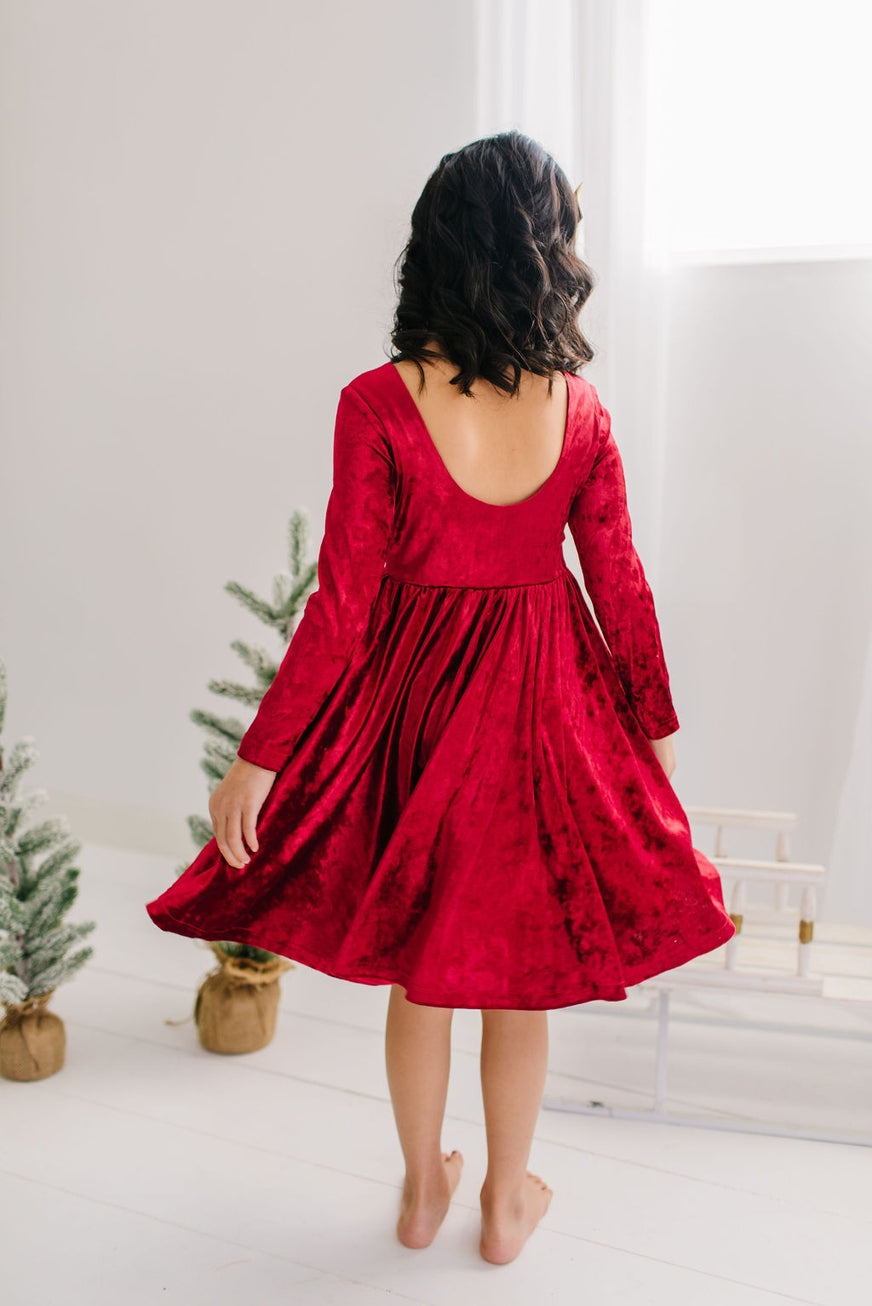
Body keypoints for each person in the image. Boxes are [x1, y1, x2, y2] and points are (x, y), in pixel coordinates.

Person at [146, 129, 735, 1265]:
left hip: (417, 714)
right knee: (517, 979)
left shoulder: (377, 401)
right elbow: (620, 587)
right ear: (538, 254)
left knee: (427, 966)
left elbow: (344, 609)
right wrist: (651, 736)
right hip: (547, 711)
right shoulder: (581, 411)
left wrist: (259, 756)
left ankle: (422, 1191)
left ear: (436, 248)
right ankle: (505, 1204)